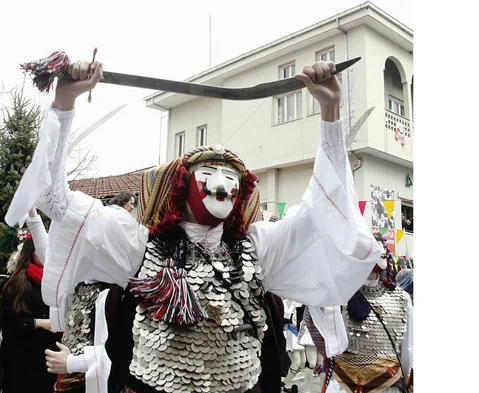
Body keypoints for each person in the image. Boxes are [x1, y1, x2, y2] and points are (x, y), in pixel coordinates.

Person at [6, 57, 381, 393]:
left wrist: (330, 113)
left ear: (241, 192)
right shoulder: (138, 246)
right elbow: (55, 199)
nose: (221, 183)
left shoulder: (260, 248)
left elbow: (324, 210)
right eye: (209, 173)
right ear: (180, 189)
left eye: (230, 176)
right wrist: (66, 102)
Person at [304, 232, 413, 393]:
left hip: (386, 383)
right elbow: (313, 321)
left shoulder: (400, 298)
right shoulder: (338, 294)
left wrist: (409, 376)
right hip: (343, 382)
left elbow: (408, 349)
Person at [0, 208, 62, 393]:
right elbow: (7, 322)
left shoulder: (56, 280)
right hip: (21, 359)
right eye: (41, 249)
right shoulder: (15, 283)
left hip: (48, 358)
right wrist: (37, 323)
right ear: (30, 252)